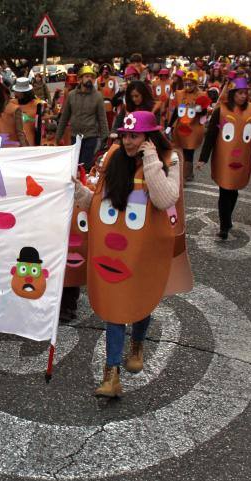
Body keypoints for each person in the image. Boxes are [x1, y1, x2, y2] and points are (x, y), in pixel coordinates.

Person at [72, 111, 180, 397]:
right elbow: (97, 200)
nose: (128, 141)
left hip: (144, 253)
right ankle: (111, 376)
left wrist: (150, 159)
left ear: (149, 137)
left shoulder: (169, 159)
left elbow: (165, 198)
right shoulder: (113, 157)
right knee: (114, 310)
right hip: (112, 252)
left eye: (135, 136)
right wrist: (76, 190)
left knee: (140, 306)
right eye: (125, 136)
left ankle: (138, 344)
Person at [197, 77, 251, 240]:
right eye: (240, 93)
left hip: (242, 158)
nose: (243, 96)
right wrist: (203, 158)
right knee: (225, 190)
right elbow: (211, 136)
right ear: (233, 93)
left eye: (245, 93)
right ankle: (224, 225)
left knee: (234, 192)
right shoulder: (221, 110)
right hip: (223, 158)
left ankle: (226, 221)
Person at [55, 65, 109, 171]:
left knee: (85, 166)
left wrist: (105, 138)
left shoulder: (98, 96)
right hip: (75, 136)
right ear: (80, 79)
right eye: (87, 76)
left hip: (91, 136)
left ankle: (84, 186)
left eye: (91, 77)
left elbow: (102, 118)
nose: (90, 79)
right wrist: (58, 136)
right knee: (75, 165)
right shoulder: (71, 95)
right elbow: (64, 117)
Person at [168, 70, 209, 182]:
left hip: (194, 128)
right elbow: (177, 111)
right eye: (186, 83)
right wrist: (169, 125)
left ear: (195, 84)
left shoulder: (201, 95)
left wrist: (197, 108)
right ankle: (188, 173)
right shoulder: (180, 94)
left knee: (189, 151)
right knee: (180, 150)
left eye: (190, 84)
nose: (187, 86)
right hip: (181, 127)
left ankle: (184, 177)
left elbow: (204, 113)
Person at [12, 77, 45, 146]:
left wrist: (38, 145)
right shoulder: (11, 103)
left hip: (30, 144)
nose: (15, 92)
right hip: (15, 144)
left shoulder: (37, 105)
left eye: (18, 91)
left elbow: (38, 127)